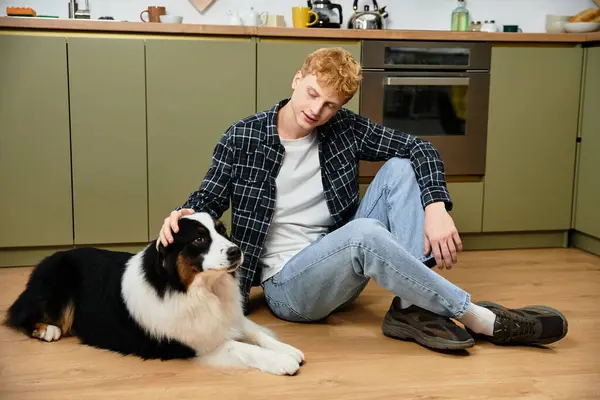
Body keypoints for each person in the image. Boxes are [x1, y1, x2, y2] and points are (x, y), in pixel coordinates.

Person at [158, 47, 567, 351]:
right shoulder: (243, 136)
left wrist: (436, 206)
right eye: (313, 94)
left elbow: (420, 148)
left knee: (402, 167)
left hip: (340, 269)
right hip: (289, 288)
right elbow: (207, 198)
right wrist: (183, 214)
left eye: (330, 105)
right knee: (365, 233)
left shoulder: (345, 129)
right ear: (298, 78)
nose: (316, 111)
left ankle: (411, 308)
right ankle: (477, 317)